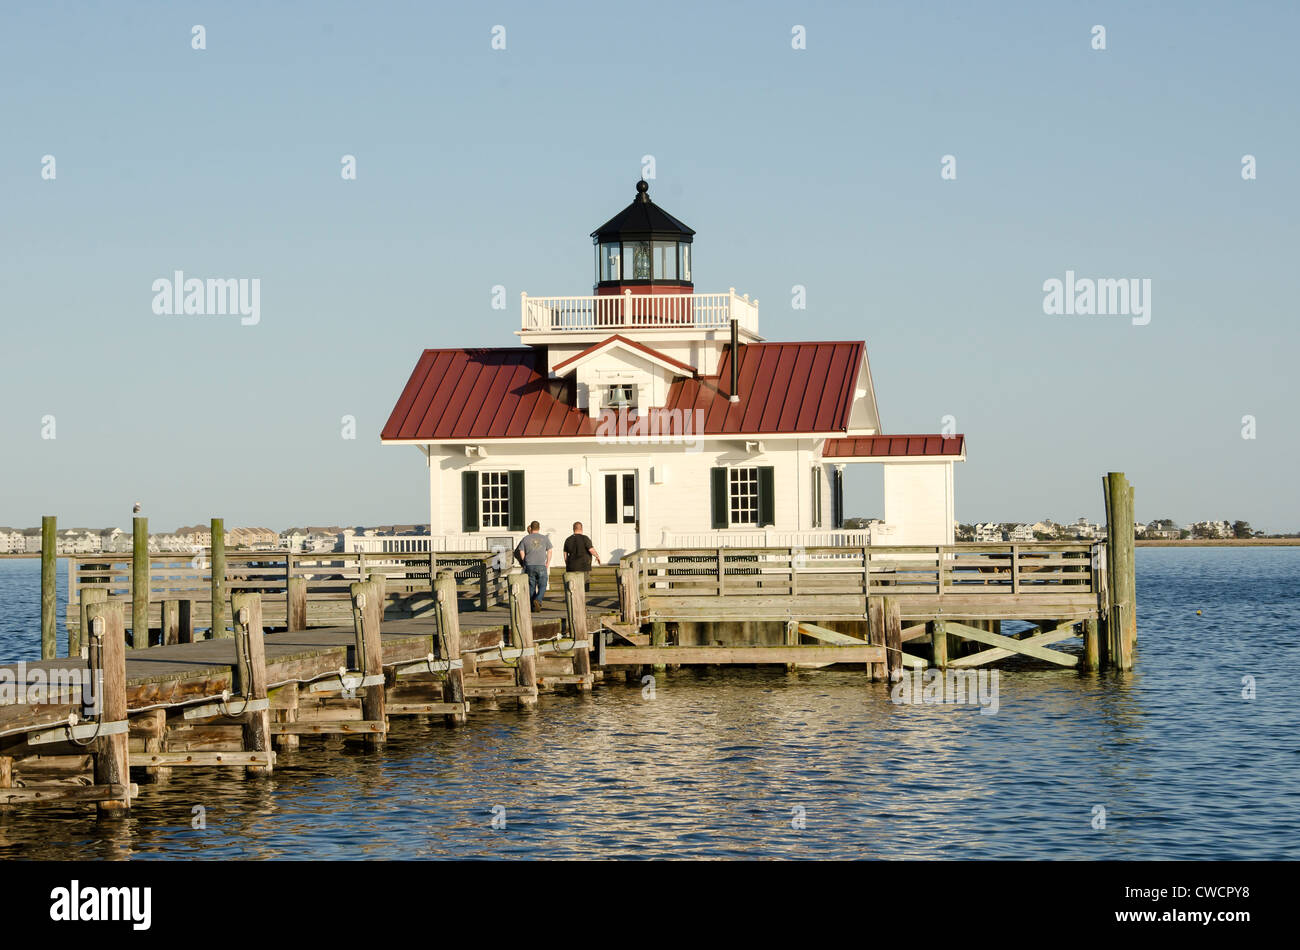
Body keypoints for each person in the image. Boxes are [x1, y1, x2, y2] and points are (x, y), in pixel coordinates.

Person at [515, 521, 552, 611]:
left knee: (531, 586)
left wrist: (524, 562)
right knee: (543, 585)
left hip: (529, 565)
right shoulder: (545, 538)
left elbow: (521, 551)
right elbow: (550, 550)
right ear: (539, 528)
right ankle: (538, 600)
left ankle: (533, 606)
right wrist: (547, 562)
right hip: (541, 565)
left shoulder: (525, 539)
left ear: (531, 528)